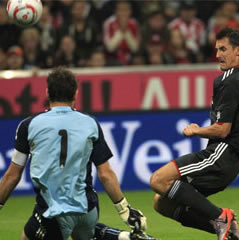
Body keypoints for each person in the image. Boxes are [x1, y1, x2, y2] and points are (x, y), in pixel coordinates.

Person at [0, 67, 147, 240]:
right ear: (76, 94)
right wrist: (124, 209)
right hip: (88, 209)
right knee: (86, 231)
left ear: (47, 93)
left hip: (53, 211)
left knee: (26, 237)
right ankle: (125, 237)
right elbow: (106, 174)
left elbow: (12, 175)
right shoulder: (90, 123)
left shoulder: (28, 125)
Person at [150, 27, 239, 240]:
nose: (218, 55)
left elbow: (222, 129)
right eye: (216, 49)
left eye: (223, 49)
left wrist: (196, 130)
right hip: (231, 163)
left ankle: (221, 218)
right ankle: (232, 233)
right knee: (162, 202)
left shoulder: (229, 79)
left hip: (221, 154)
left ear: (238, 51)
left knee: (159, 180)